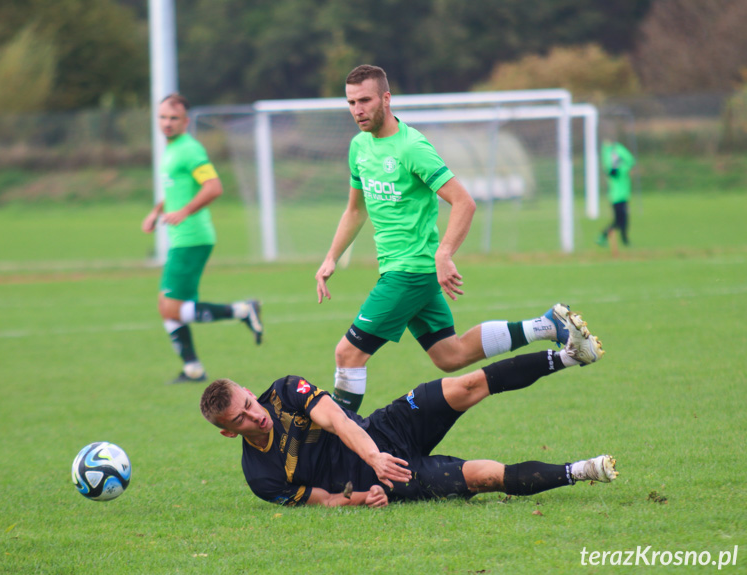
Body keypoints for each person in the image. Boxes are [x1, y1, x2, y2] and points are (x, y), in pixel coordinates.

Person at [315, 64, 579, 413]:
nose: (357, 110)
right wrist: (331, 256)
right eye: (351, 102)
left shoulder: (412, 148)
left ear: (386, 98)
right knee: (450, 355)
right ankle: (547, 325)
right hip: (402, 270)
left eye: (365, 100)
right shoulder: (359, 147)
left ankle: (341, 440)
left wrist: (445, 254)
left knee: (347, 354)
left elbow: (463, 202)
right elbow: (355, 210)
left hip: (409, 271)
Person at [200, 309, 611, 507]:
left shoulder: (285, 392)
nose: (255, 414)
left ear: (251, 392)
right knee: (484, 477)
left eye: (249, 403)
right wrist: (365, 497)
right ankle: (582, 471)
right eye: (241, 418)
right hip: (385, 478)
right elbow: (323, 499)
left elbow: (339, 421)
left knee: (467, 384)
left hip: (384, 431)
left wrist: (376, 454)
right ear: (228, 431)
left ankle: (572, 356)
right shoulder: (261, 477)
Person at [143, 93, 263, 384]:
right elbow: (176, 190)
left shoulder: (190, 150)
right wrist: (157, 210)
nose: (167, 123)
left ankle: (242, 310)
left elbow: (214, 187)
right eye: (163, 117)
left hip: (192, 238)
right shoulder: (171, 150)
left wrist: (183, 211)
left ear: (185, 121)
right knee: (167, 305)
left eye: (174, 118)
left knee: (169, 307)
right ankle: (193, 369)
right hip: (182, 237)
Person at [597, 140, 635, 254]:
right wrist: (617, 148)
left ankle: (624, 240)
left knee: (622, 221)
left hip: (619, 198)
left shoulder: (614, 172)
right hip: (618, 199)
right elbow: (630, 161)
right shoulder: (621, 171)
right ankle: (603, 236)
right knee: (619, 222)